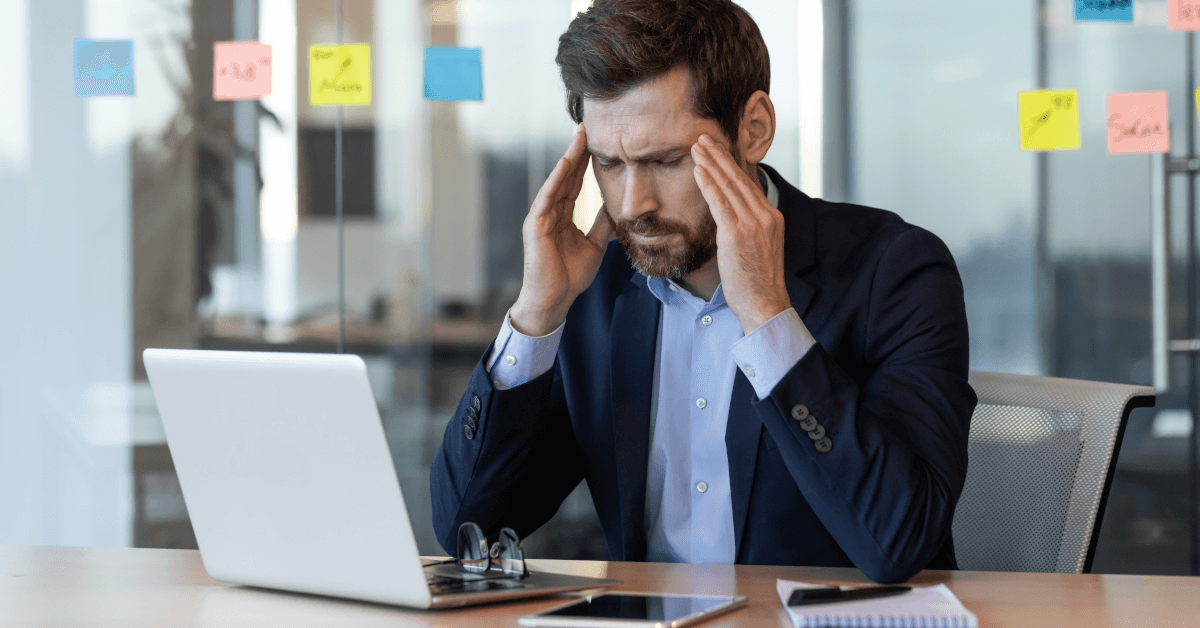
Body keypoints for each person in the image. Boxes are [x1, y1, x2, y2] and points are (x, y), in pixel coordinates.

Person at [430, 0, 976, 584]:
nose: (633, 204)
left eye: (665, 161)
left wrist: (769, 317)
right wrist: (536, 315)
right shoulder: (594, 287)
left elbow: (899, 539)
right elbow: (470, 524)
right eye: (609, 165)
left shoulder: (894, 271)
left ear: (754, 129)